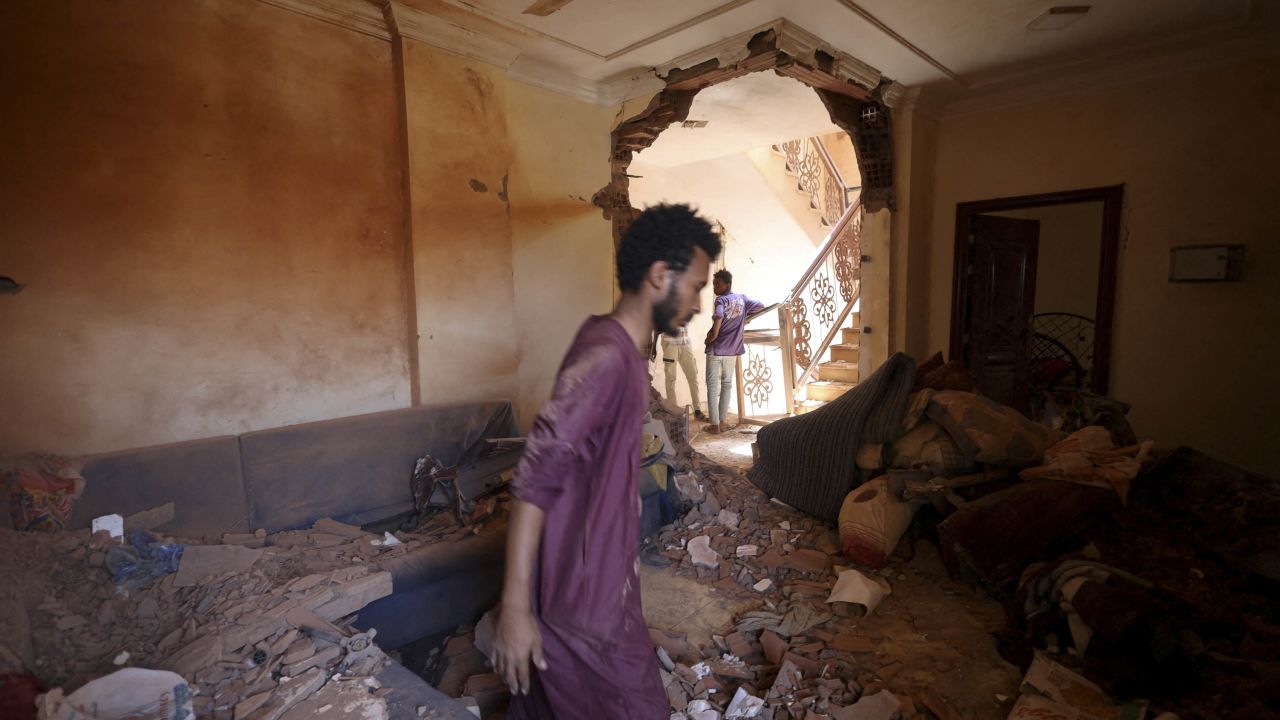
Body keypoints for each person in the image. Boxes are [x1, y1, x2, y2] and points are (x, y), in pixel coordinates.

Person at [493, 203, 721, 719]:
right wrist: (514, 611)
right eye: (696, 287)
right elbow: (533, 482)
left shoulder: (618, 348)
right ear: (660, 276)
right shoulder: (605, 358)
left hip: (600, 589)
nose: (700, 304)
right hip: (584, 606)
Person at [703, 269, 764, 434]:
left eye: (717, 284)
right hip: (732, 350)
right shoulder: (742, 299)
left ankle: (714, 425)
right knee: (727, 385)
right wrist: (743, 316)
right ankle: (722, 423)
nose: (715, 287)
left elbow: (718, 316)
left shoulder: (721, 300)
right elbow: (760, 306)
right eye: (714, 284)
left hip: (716, 349)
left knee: (712, 386)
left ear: (727, 285)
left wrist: (713, 336)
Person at [660, 327, 706, 421]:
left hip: (685, 342)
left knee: (693, 375)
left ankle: (697, 410)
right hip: (670, 342)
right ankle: (674, 411)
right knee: (671, 378)